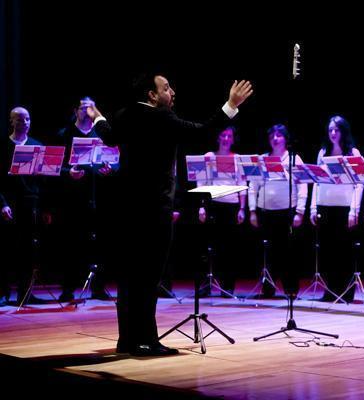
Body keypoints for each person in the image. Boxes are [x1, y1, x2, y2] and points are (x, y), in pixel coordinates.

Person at [93, 73, 252, 356]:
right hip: (154, 210)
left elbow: (109, 136)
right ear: (152, 95)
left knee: (129, 277)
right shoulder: (161, 118)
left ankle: (127, 340)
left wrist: (97, 118)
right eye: (166, 88)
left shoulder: (125, 114)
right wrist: (231, 105)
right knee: (149, 277)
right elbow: (202, 133)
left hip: (126, 210)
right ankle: (146, 341)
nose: (172, 92)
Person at [55, 97, 115, 302]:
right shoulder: (65, 134)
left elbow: (114, 160)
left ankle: (99, 287)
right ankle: (68, 288)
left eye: (91, 108)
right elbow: (55, 165)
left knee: (101, 243)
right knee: (72, 243)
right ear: (75, 111)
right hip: (73, 197)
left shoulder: (101, 132)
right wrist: (68, 173)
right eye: (83, 108)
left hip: (99, 195)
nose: (87, 111)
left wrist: (110, 169)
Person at [248, 124, 307, 296]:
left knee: (288, 252)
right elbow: (253, 186)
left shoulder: (294, 158)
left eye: (279, 135)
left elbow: (302, 185)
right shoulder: (262, 159)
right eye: (272, 136)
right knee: (268, 252)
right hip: (265, 212)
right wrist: (252, 211)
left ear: (285, 139)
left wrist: (300, 212)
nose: (275, 138)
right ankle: (268, 289)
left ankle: (291, 290)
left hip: (287, 211)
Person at [310, 115, 363, 303]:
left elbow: (359, 183)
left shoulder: (353, 153)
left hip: (345, 209)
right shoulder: (323, 153)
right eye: (330, 130)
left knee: (344, 252)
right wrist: (313, 207)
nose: (333, 133)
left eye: (336, 130)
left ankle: (346, 293)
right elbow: (316, 181)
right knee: (327, 252)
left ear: (343, 131)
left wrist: (354, 210)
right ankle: (330, 291)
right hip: (325, 207)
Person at [0, 107, 50, 306]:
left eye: (27, 119)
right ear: (11, 122)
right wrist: (2, 204)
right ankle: (3, 293)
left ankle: (26, 293)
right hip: (10, 204)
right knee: (7, 249)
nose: (25, 123)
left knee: (29, 251)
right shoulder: (3, 146)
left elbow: (44, 180)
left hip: (31, 203)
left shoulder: (36, 145)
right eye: (20, 120)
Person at [197, 126, 246, 296]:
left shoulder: (237, 159)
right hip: (213, 205)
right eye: (223, 135)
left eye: (229, 136)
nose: (226, 138)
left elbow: (242, 184)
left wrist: (242, 208)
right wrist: (202, 206)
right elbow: (201, 183)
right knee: (209, 247)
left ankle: (228, 286)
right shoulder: (209, 156)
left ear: (233, 139)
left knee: (229, 249)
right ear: (218, 137)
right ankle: (206, 284)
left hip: (231, 206)